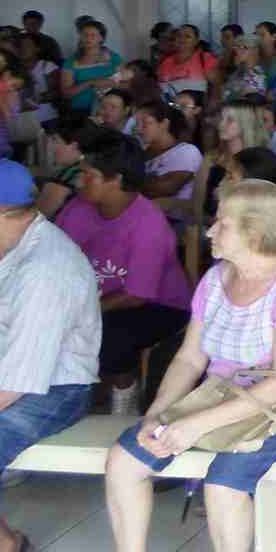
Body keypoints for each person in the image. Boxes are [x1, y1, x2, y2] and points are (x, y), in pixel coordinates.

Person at [104, 180, 276, 552]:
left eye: (221, 223)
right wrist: (157, 415)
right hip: (219, 394)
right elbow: (190, 358)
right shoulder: (215, 279)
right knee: (123, 462)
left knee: (224, 485)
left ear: (254, 232)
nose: (210, 230)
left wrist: (194, 424)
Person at [0, 159, 100, 552]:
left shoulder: (46, 269)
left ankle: (5, 547)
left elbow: (15, 383)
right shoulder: (4, 245)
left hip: (51, 390)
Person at [56, 131, 192, 416]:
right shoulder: (79, 207)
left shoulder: (148, 226)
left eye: (88, 175)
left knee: (111, 336)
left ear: (115, 179)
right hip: (99, 296)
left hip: (159, 304)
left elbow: (136, 296)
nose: (79, 181)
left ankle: (124, 394)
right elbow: (56, 256)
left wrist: (80, 310)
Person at [136, 101, 204, 201]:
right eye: (137, 123)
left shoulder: (187, 152)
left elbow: (164, 188)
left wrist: (128, 178)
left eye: (145, 123)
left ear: (164, 124)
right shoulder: (143, 152)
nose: (138, 129)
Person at [61, 19, 123, 117]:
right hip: (80, 111)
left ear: (101, 38)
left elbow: (127, 85)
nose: (88, 38)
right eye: (85, 35)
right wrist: (90, 82)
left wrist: (112, 84)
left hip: (109, 111)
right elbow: (66, 93)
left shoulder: (114, 58)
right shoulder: (71, 62)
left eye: (93, 35)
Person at [154, 24, 217, 99]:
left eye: (187, 36)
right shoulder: (165, 62)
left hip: (196, 109)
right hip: (166, 108)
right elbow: (158, 88)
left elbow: (216, 86)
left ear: (196, 41)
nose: (182, 39)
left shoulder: (206, 59)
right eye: (179, 36)